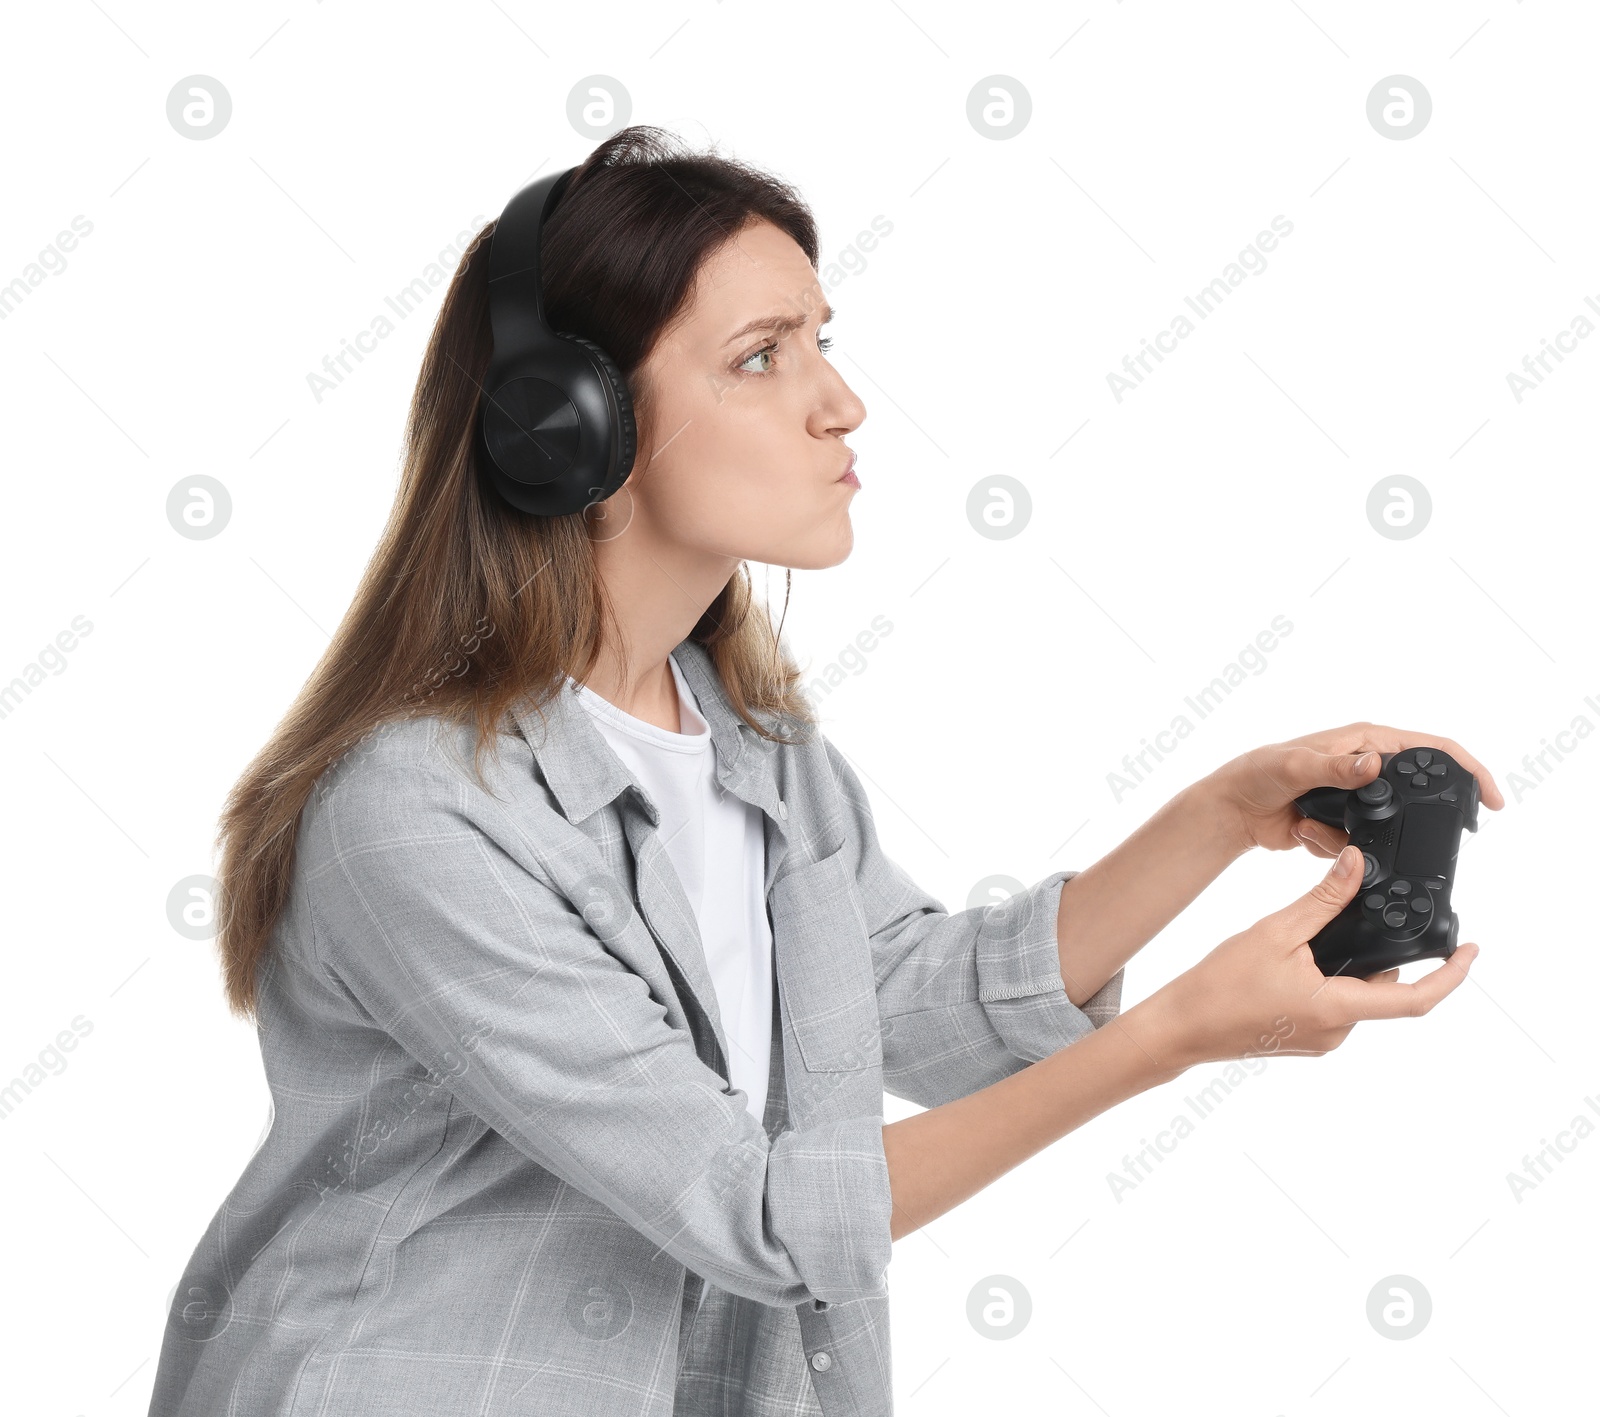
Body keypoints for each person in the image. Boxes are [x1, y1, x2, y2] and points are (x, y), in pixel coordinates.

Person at [146, 125, 1503, 1417]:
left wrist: (1223, 811)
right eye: (760, 358)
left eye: (822, 344)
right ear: (572, 429)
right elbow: (755, 1211)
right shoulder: (421, 811)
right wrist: (1176, 1037)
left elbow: (935, 1008)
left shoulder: (759, 758)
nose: (840, 402)